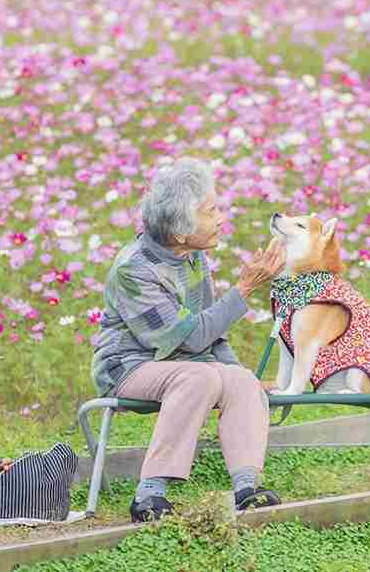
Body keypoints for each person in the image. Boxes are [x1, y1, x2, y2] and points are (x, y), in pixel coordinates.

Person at [91, 157, 286, 522]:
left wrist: (239, 376)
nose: (221, 218)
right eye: (211, 211)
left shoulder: (193, 257)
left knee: (239, 378)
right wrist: (243, 291)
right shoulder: (134, 269)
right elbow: (191, 336)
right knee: (201, 376)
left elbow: (211, 336)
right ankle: (149, 495)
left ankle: (247, 489)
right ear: (180, 231)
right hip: (130, 366)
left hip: (184, 365)